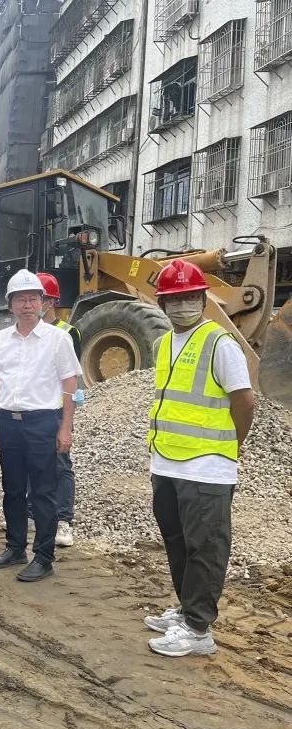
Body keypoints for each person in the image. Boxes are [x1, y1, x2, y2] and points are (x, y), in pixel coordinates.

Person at [143, 259, 254, 658]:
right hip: (166, 462)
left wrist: (230, 444)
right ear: (161, 304)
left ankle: (198, 629)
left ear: (203, 298)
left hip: (208, 466)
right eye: (174, 299)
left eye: (189, 297)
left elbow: (244, 401)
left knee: (205, 546)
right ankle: (187, 609)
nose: (182, 305)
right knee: (177, 542)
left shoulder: (219, 343)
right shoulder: (161, 344)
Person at [0, 269, 81, 583]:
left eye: (32, 298)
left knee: (43, 492)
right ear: (10, 304)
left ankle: (43, 555)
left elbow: (70, 385)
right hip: (8, 423)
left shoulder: (58, 339)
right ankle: (15, 547)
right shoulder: (0, 339)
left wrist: (65, 428)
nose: (26, 304)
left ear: (43, 302)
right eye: (20, 299)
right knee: (12, 490)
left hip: (42, 422)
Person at [37, 272, 83, 549]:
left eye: (40, 298)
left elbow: (72, 378)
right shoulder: (25, 333)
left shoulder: (67, 332)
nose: (34, 303)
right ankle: (35, 513)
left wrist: (69, 418)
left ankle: (64, 520)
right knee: (33, 464)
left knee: (61, 464)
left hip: (56, 408)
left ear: (52, 301)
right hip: (34, 408)